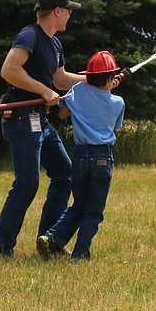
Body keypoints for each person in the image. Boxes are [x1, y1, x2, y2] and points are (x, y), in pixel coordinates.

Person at [0, 0, 86, 258]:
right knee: (27, 183)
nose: (69, 16)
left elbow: (61, 80)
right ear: (57, 11)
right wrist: (43, 91)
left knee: (65, 175)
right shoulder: (29, 35)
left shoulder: (55, 44)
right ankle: (0, 249)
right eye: (68, 11)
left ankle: (49, 242)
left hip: (38, 119)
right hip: (20, 118)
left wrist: (95, 81)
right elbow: (9, 70)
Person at [37, 51, 125, 261]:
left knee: (78, 205)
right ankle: (81, 254)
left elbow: (62, 113)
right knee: (93, 211)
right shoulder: (118, 103)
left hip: (79, 156)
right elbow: (115, 125)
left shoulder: (78, 90)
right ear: (111, 77)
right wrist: (111, 87)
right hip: (102, 157)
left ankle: (53, 237)